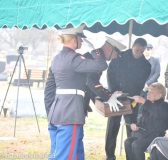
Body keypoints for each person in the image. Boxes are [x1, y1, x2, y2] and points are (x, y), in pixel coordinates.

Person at [44, 24, 108, 160]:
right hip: (70, 114)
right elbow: (102, 65)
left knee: (59, 153)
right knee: (65, 156)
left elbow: (49, 90)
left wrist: (50, 111)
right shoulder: (74, 59)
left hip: (56, 113)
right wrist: (95, 51)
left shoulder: (56, 59)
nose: (82, 41)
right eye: (81, 39)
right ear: (74, 40)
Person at [105, 38, 151, 160]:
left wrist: (130, 94)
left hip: (132, 99)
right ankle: (110, 156)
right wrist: (114, 90)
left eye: (142, 51)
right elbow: (110, 74)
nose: (139, 53)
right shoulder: (119, 57)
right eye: (137, 50)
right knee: (112, 128)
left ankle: (131, 157)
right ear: (132, 46)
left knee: (132, 128)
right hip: (116, 97)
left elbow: (140, 83)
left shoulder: (146, 65)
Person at [124, 82, 168, 160]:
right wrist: (135, 126)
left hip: (156, 136)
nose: (148, 94)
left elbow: (157, 114)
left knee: (137, 145)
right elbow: (142, 121)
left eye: (151, 92)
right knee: (128, 142)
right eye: (148, 91)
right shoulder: (147, 105)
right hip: (144, 135)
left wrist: (144, 102)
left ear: (159, 95)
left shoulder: (164, 105)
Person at [84, 36, 127, 115]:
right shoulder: (96, 60)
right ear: (109, 48)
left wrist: (109, 96)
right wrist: (109, 98)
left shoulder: (96, 57)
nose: (116, 56)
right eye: (116, 53)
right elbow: (91, 82)